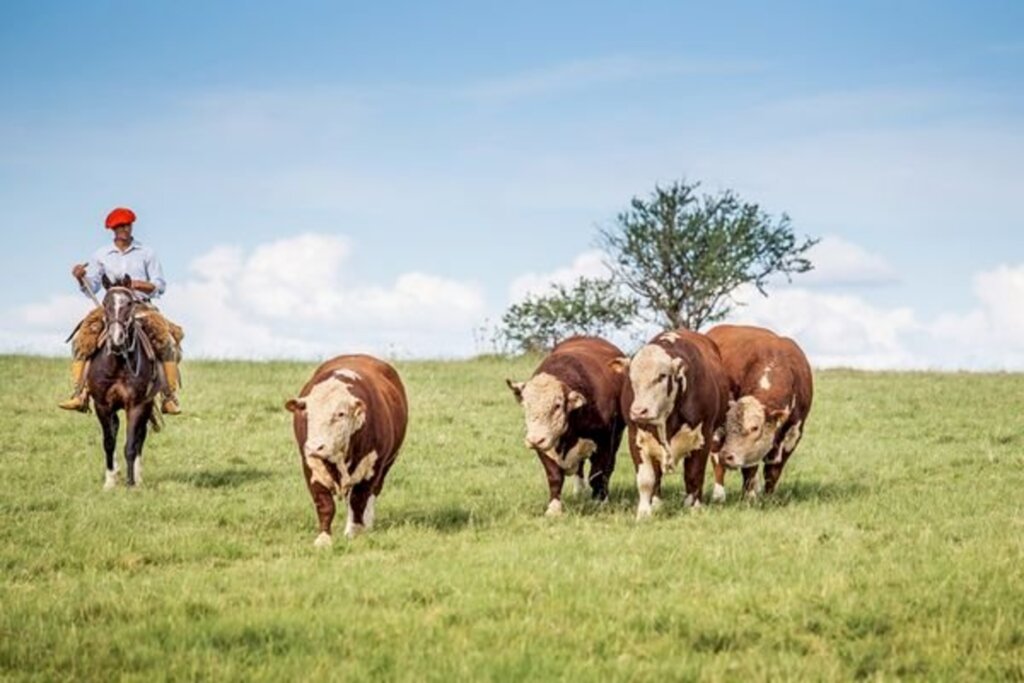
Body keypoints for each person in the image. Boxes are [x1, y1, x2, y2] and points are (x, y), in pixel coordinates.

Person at [59, 207, 184, 414]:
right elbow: (94, 285)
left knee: (167, 340)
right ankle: (79, 393)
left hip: (141, 307)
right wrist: (81, 277)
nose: (125, 229)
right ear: (113, 230)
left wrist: (137, 285)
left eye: (127, 225)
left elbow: (160, 285)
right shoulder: (101, 255)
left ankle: (169, 397)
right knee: (82, 338)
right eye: (120, 226)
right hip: (111, 308)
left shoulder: (147, 253)